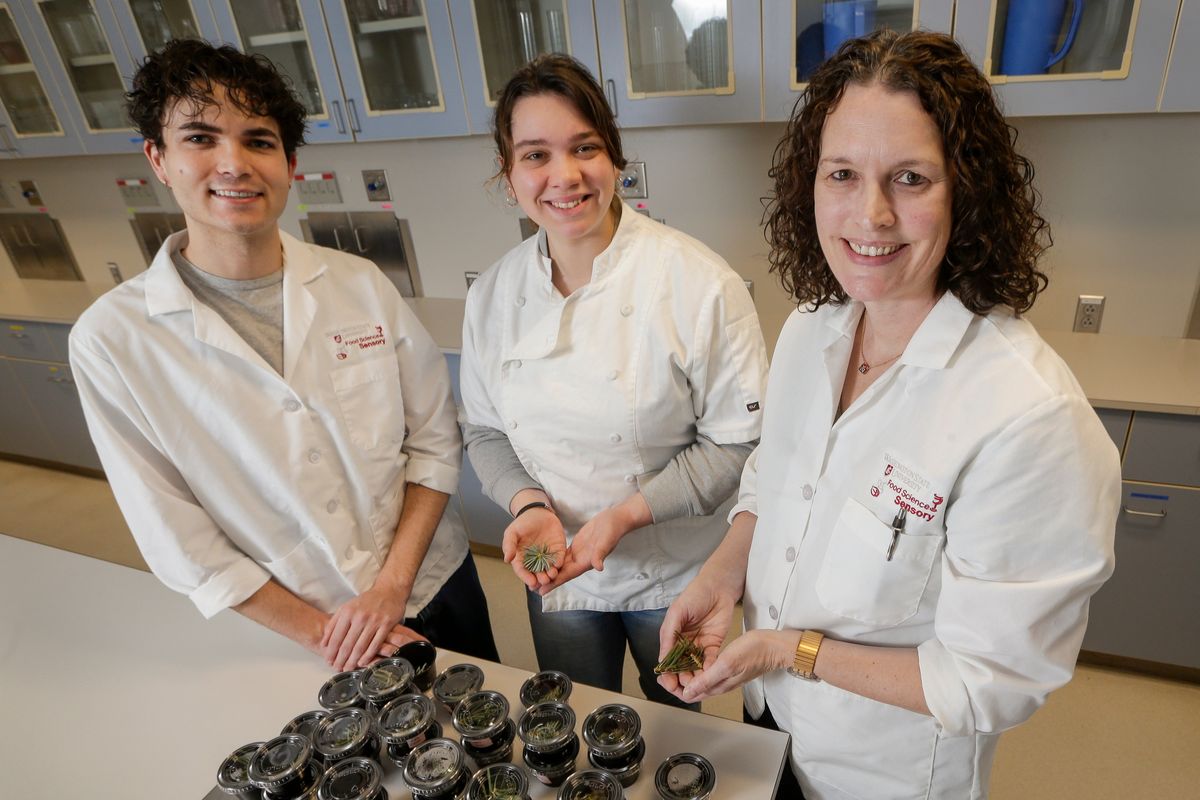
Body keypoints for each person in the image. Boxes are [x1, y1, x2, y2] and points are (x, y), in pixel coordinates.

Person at [658, 30, 1120, 799]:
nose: (869, 215)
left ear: (966, 192)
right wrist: (721, 574)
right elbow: (776, 480)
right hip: (768, 717)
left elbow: (987, 683)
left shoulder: (1028, 417)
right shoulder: (811, 330)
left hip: (881, 770)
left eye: (909, 178)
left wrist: (786, 650)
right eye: (842, 174)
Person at [69, 39, 498, 672]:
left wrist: (390, 590)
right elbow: (181, 542)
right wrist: (331, 633)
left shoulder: (359, 285)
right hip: (306, 628)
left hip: (436, 581)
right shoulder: (112, 342)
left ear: (289, 165)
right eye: (201, 138)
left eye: (259, 141)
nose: (234, 163)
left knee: (491, 746)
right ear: (158, 159)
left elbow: (434, 440)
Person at [459, 54, 767, 707]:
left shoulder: (697, 283)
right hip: (560, 576)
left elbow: (738, 446)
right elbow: (485, 432)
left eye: (584, 148)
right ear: (508, 173)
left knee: (682, 717)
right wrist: (528, 505)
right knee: (575, 715)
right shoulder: (492, 296)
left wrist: (624, 516)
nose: (563, 176)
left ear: (615, 159)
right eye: (535, 155)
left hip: (681, 577)